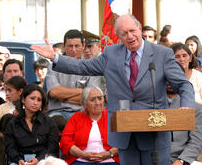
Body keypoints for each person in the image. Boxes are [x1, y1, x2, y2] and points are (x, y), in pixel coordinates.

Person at [30, 14, 195, 165]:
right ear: (119, 37)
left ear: (140, 28)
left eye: (132, 30)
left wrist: (186, 105)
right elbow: (82, 66)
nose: (129, 36)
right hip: (125, 133)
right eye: (124, 33)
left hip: (154, 134)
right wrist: (55, 57)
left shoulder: (162, 54)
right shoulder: (111, 53)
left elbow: (183, 84)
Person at [44, 29, 101, 120]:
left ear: (83, 45)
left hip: (83, 113)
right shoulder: (53, 67)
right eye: (70, 46)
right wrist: (81, 91)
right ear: (63, 46)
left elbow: (92, 97)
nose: (73, 50)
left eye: (77, 46)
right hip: (57, 113)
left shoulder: (91, 67)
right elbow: (54, 92)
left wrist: (63, 98)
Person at [60, 87, 119, 165]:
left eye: (100, 98)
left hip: (110, 160)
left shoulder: (112, 116)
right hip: (80, 161)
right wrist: (82, 155)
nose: (97, 103)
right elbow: (65, 142)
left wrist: (109, 154)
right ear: (84, 104)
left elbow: (123, 140)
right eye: (92, 100)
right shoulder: (76, 118)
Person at [5, 83, 59, 165]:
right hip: (20, 161)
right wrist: (18, 160)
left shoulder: (49, 122)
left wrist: (38, 159)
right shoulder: (13, 124)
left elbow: (52, 147)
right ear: (23, 100)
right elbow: (10, 148)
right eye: (32, 98)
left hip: (44, 161)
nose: (35, 103)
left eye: (39, 100)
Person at [167, 83, 202, 165]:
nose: (169, 82)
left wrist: (181, 160)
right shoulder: (149, 106)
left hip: (179, 159)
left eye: (173, 79)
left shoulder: (196, 108)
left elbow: (196, 142)